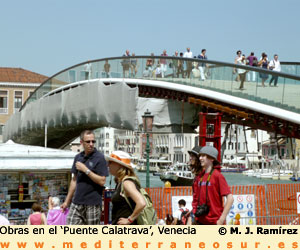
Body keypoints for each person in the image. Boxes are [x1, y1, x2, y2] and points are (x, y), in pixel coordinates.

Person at [61, 130, 108, 225]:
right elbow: (74, 181)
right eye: (88, 142)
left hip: (93, 203)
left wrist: (86, 170)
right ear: (81, 142)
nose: (91, 144)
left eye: (93, 141)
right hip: (77, 201)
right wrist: (66, 201)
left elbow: (102, 181)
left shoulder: (99, 158)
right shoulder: (78, 157)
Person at [192, 146, 233, 225]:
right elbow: (196, 198)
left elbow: (230, 198)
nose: (200, 158)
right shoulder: (199, 177)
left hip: (214, 222)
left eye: (203, 156)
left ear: (211, 159)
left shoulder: (217, 176)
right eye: (200, 156)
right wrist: (194, 215)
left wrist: (221, 220)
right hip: (200, 221)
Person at [106, 151, 146, 225]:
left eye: (110, 162)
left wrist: (129, 220)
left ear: (119, 165)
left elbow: (142, 203)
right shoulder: (120, 182)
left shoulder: (127, 183)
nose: (108, 165)